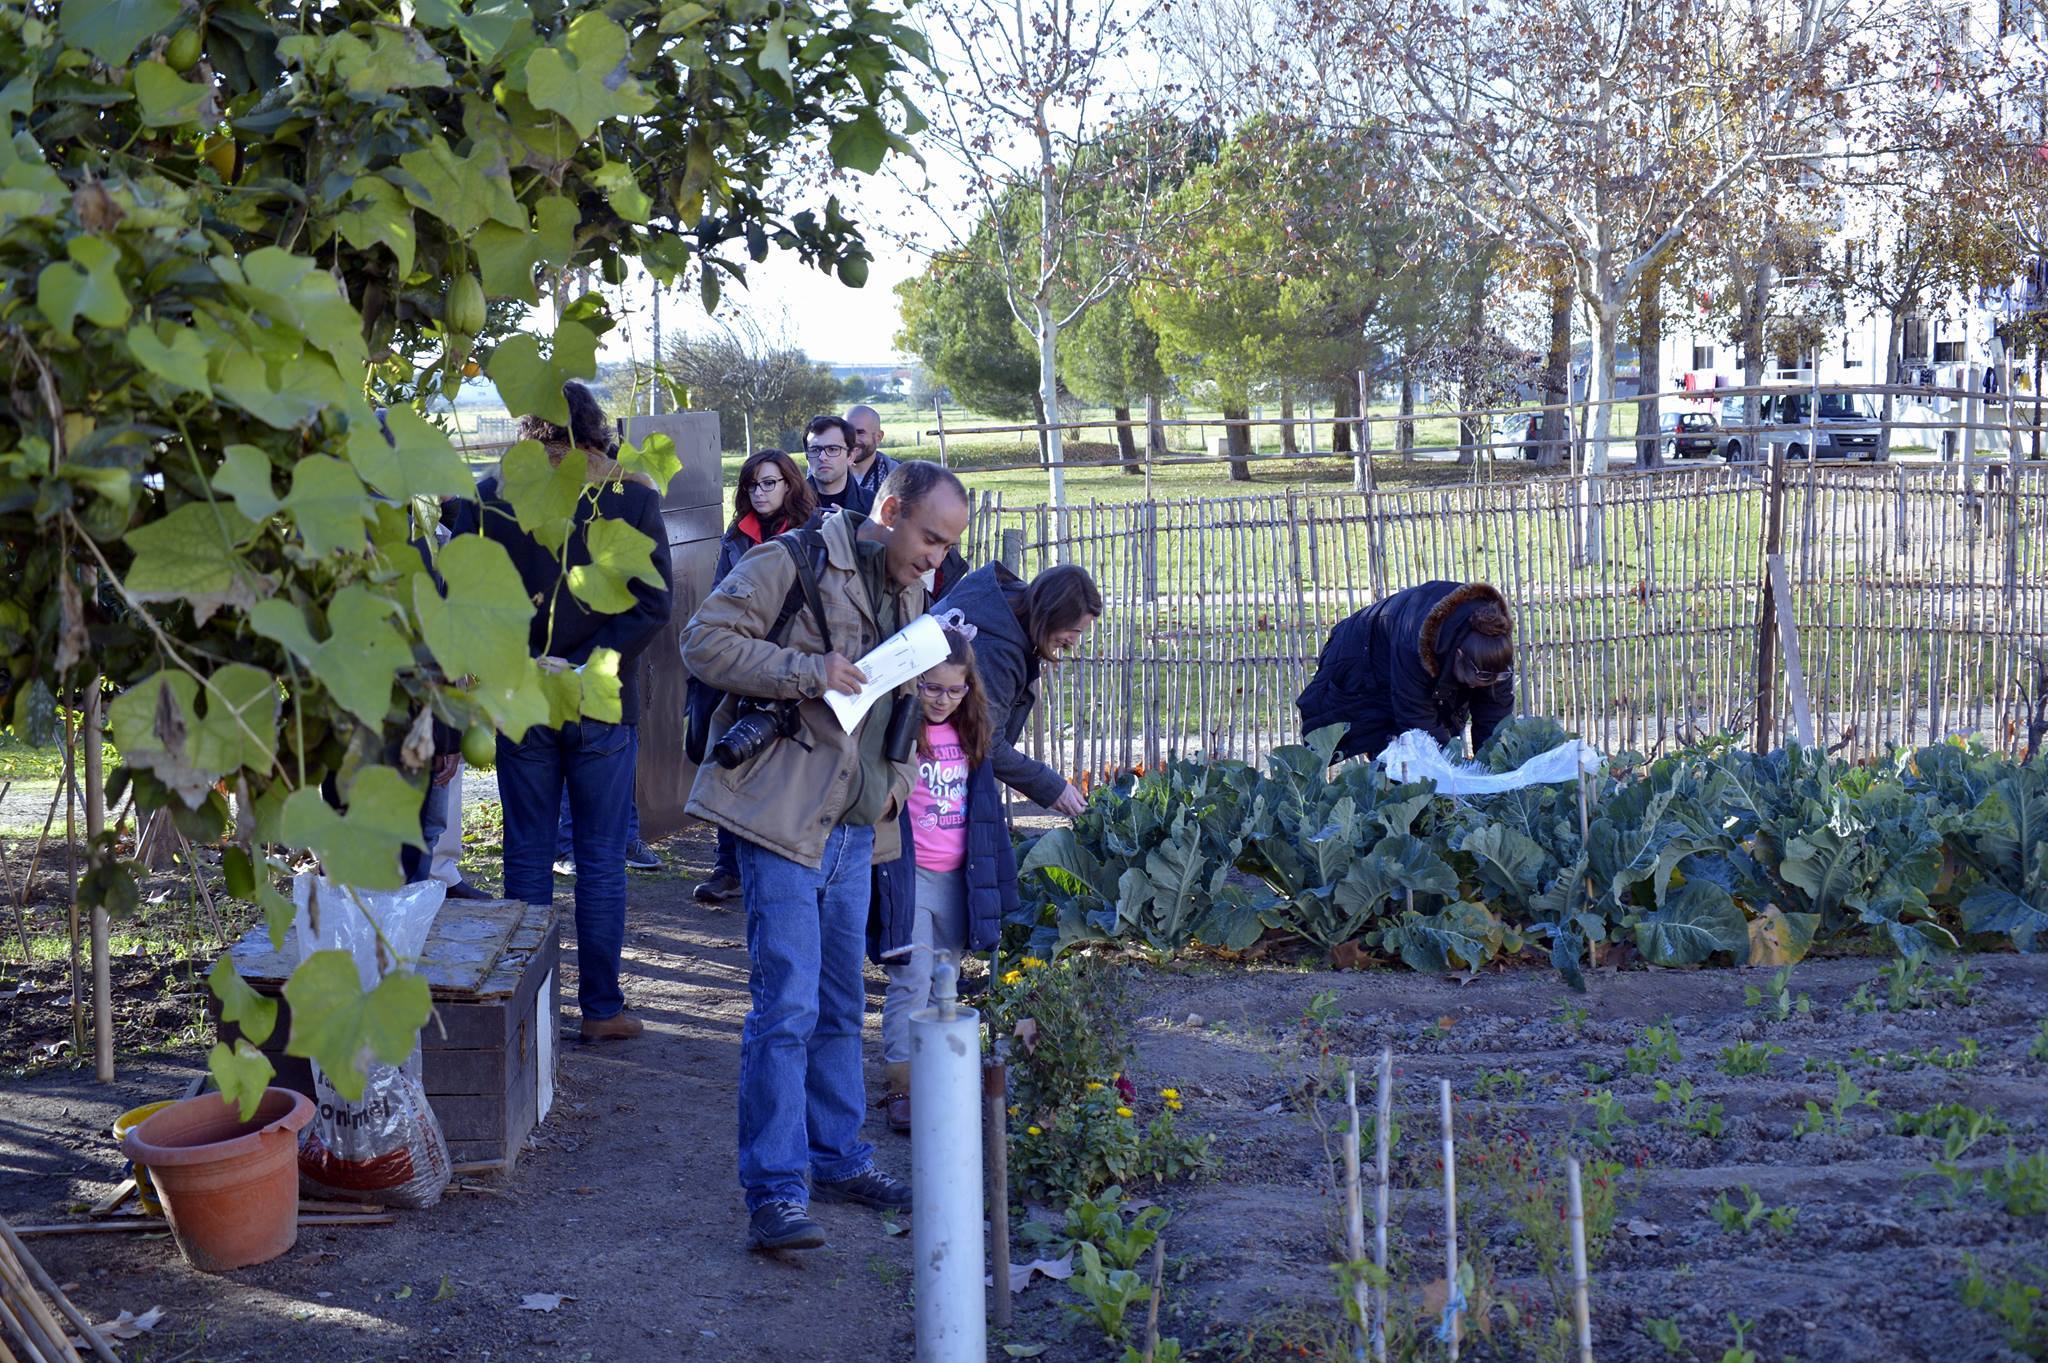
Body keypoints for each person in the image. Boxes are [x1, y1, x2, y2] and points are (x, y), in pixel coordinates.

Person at [681, 460, 972, 1253]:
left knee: (843, 1007)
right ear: (889, 509)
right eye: (930, 538)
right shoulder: (792, 559)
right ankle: (775, 1193)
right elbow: (701, 642)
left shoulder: (913, 591)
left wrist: (900, 780)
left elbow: (911, 698)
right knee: (788, 1009)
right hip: (781, 826)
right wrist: (809, 670)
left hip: (858, 833)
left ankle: (838, 1157)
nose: (936, 559)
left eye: (949, 547)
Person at [475, 383, 673, 1041]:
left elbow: (476, 597)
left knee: (528, 854)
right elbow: (653, 605)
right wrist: (591, 665)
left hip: (523, 695)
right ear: (596, 432)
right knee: (598, 856)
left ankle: (527, 1014)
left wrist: (528, 662)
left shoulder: (495, 495)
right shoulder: (634, 498)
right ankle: (602, 1010)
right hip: (600, 702)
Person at [869, 626, 1016, 1134]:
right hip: (910, 876)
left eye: (955, 690)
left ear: (969, 688)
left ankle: (936, 1076)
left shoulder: (970, 733)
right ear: (915, 683)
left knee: (944, 981)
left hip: (959, 879)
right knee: (909, 981)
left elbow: (982, 816)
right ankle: (902, 1087)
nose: (942, 699)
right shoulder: (903, 729)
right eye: (931, 687)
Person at [691, 449, 818, 905]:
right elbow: (719, 600)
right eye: (751, 485)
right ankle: (727, 866)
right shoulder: (736, 536)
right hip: (741, 666)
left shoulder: (812, 534)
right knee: (732, 757)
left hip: (795, 668)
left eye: (769, 484)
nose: (759, 493)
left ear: (789, 485)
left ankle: (788, 861)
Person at [934, 562, 1102, 816]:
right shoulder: (997, 650)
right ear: (1052, 614)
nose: (1073, 641)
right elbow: (985, 740)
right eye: (1073, 630)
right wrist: (1051, 787)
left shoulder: (998, 602)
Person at [1295, 580, 1515, 764]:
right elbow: (1417, 720)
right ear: (1458, 656)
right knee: (1392, 744)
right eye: (1481, 678)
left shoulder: (1495, 648)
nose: (1486, 684)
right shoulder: (1415, 643)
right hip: (1361, 655)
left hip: (1410, 655)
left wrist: (1493, 770)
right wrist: (1451, 772)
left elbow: (1495, 718)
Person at [802, 414, 872, 516]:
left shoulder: (874, 506)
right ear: (807, 457)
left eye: (833, 449)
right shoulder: (787, 504)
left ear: (850, 456)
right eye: (815, 450)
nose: (822, 457)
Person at [846, 404, 897, 499]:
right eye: (848, 432)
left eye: (860, 432)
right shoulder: (826, 470)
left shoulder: (895, 475)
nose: (853, 439)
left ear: (878, 437)